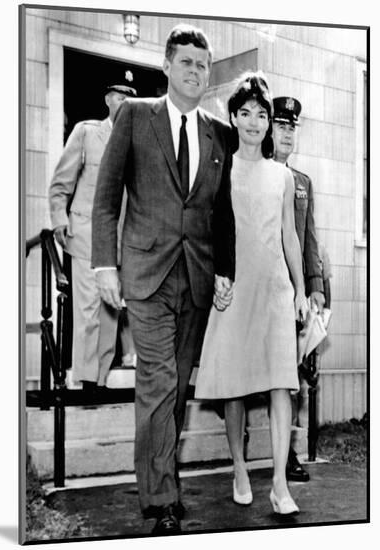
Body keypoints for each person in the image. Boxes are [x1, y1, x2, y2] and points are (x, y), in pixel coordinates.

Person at [91, 24, 235, 535]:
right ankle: (160, 501)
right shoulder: (134, 116)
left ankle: (162, 477)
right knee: (158, 383)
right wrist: (104, 265)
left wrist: (224, 270)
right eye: (187, 62)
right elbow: (106, 197)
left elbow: (221, 212)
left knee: (174, 391)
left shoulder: (220, 134)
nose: (196, 72)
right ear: (168, 66)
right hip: (146, 273)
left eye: (203, 64)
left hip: (194, 278)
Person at [195, 72, 308, 515]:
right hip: (236, 290)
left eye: (262, 115)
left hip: (276, 289)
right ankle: (240, 468)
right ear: (234, 118)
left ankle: (279, 484)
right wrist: (218, 277)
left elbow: (290, 236)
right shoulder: (221, 169)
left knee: (283, 383)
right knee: (236, 387)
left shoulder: (281, 176)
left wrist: (300, 290)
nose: (255, 123)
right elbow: (208, 230)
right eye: (246, 114)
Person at [48, 81, 137, 390]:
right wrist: (59, 219)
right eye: (119, 96)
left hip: (117, 242)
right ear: (108, 99)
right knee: (88, 311)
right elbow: (61, 182)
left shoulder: (135, 140)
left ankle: (98, 381)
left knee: (110, 313)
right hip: (86, 234)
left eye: (130, 97)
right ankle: (85, 381)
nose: (125, 102)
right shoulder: (86, 133)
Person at [272, 96, 325, 481]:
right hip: (257, 293)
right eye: (280, 125)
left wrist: (315, 287)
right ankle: (241, 447)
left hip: (292, 299)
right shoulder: (249, 172)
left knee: (293, 380)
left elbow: (308, 241)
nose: (287, 133)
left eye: (292, 127)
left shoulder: (302, 182)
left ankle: (289, 453)